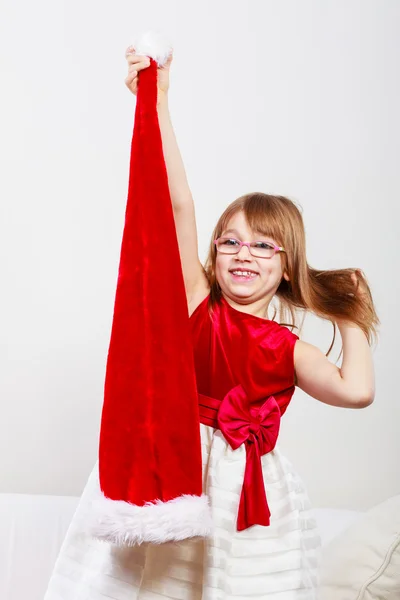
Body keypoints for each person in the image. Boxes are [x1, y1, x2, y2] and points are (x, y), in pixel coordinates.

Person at [44, 48, 378, 600]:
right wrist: (158, 102)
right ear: (215, 253)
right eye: (232, 242)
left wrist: (351, 309)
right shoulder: (198, 301)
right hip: (171, 469)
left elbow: (358, 389)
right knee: (151, 584)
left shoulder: (287, 348)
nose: (244, 255)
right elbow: (178, 206)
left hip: (245, 495)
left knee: (232, 586)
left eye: (264, 245)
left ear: (287, 264)